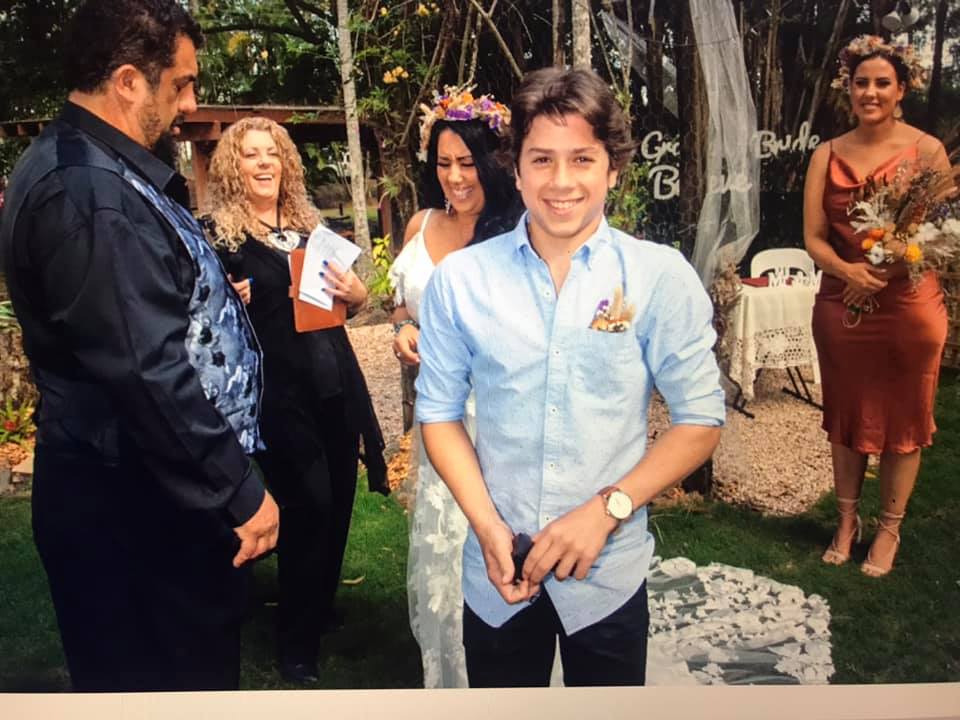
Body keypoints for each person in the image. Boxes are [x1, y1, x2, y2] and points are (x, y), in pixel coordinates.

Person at [0, 0, 279, 692]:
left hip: (141, 491)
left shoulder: (95, 166)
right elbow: (146, 371)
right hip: (135, 509)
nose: (189, 101)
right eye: (180, 83)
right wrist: (239, 489)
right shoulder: (89, 192)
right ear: (128, 80)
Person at [414, 67, 725, 687]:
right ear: (517, 167)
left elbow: (700, 419)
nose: (561, 182)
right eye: (542, 159)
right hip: (497, 574)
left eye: (582, 158)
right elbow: (439, 416)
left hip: (608, 578)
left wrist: (607, 509)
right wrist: (486, 526)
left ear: (612, 167)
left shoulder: (657, 277)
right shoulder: (462, 280)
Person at [202, 116, 388, 685]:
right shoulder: (220, 236)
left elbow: (342, 307)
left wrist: (357, 296)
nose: (263, 164)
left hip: (334, 383)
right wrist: (226, 297)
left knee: (337, 503)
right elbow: (201, 315)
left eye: (272, 154)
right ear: (235, 166)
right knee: (307, 506)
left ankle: (317, 605)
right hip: (279, 395)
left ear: (286, 164)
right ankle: (295, 646)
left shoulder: (312, 229)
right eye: (251, 155)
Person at [389, 86, 522, 688]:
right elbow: (401, 306)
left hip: (495, 419)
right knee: (444, 542)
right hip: (436, 419)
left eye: (467, 162)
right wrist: (405, 331)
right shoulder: (420, 224)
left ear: (492, 160)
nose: (455, 176)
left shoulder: (516, 231)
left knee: (492, 533)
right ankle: (450, 673)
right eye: (443, 163)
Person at [804, 36, 950, 577]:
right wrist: (849, 273)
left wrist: (885, 273)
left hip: (910, 305)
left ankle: (889, 528)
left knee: (905, 419)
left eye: (882, 83)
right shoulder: (827, 153)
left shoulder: (928, 150)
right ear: (849, 87)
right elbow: (814, 237)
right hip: (843, 305)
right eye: (861, 82)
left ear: (901, 89)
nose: (870, 92)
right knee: (845, 416)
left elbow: (936, 233)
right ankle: (847, 521)